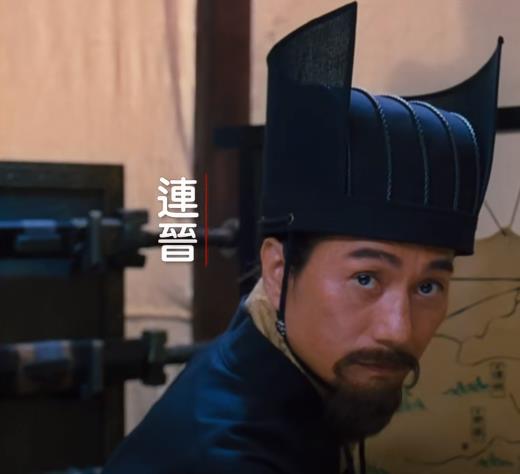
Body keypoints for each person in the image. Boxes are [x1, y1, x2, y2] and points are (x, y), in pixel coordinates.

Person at [103, 3, 503, 473]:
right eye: (366, 278)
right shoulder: (229, 457)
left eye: (429, 287)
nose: (399, 330)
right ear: (277, 270)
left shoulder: (282, 370)